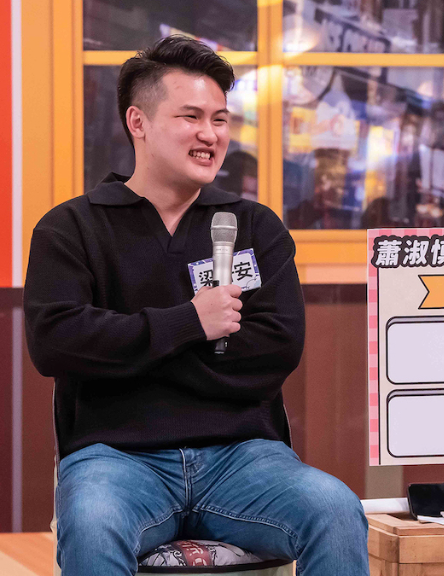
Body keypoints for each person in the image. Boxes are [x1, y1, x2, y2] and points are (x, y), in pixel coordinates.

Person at [24, 36, 369, 575]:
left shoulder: (256, 226)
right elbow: (57, 344)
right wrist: (191, 323)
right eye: (191, 117)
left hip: (245, 458)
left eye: (220, 119)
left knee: (335, 508)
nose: (211, 134)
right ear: (138, 122)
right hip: (116, 459)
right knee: (91, 521)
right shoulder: (71, 228)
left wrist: (127, 360)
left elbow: (275, 351)